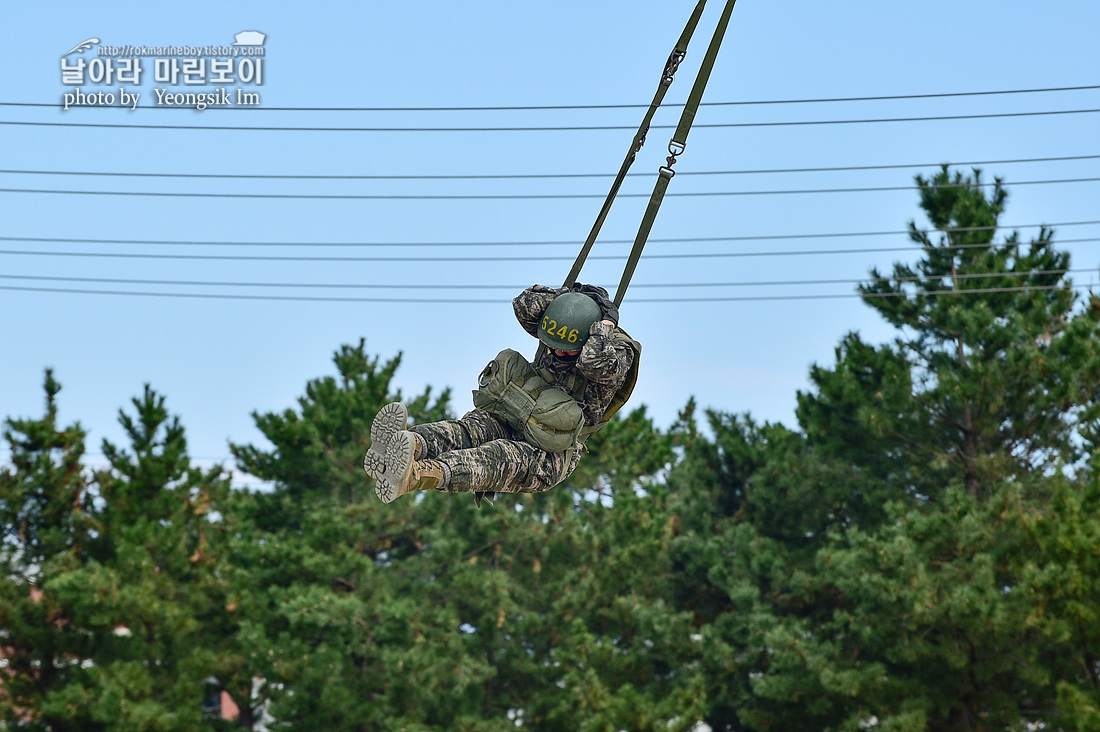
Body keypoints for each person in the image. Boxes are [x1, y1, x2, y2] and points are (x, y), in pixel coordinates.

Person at [363, 283, 639, 504]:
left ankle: (413, 475)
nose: (557, 353)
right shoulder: (559, 336)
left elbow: (594, 361)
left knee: (495, 456)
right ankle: (409, 443)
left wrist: (606, 325)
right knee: (470, 429)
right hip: (516, 417)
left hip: (549, 454)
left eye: (568, 349)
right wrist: (564, 297)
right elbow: (525, 303)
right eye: (553, 345)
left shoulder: (616, 354)